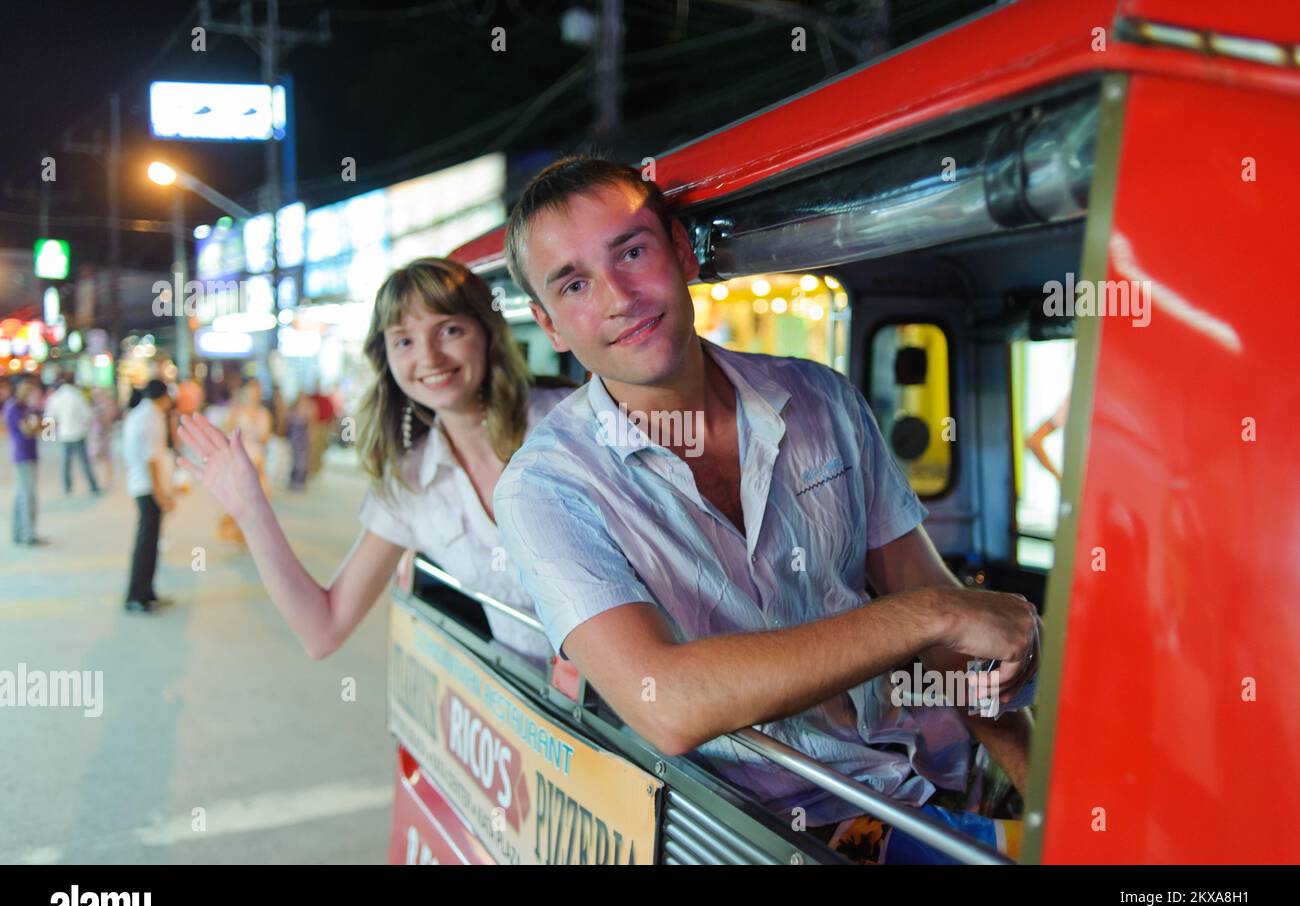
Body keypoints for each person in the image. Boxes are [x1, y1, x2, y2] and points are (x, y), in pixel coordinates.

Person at [493, 157, 1041, 862]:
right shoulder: (545, 488)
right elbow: (669, 703)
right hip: (757, 832)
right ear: (551, 325)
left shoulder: (823, 399)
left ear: (683, 252)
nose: (619, 296)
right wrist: (934, 611)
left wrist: (1042, 790)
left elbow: (952, 643)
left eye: (632, 252)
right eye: (575, 284)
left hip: (924, 787)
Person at [177, 257, 573, 666]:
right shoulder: (409, 481)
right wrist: (251, 509)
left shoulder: (567, 423)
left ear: (486, 335)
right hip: (528, 716)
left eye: (450, 330)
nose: (430, 357)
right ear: (386, 357)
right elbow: (323, 630)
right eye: (404, 341)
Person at [122, 379, 175, 612]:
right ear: (162, 397)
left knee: (150, 542)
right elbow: (151, 459)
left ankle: (146, 592)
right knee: (146, 542)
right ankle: (137, 595)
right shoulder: (151, 417)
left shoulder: (140, 413)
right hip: (147, 487)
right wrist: (160, 493)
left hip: (141, 484)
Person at [214, 380, 273, 545]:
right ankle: (238, 531)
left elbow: (266, 436)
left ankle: (248, 534)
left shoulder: (263, 413)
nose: (255, 394)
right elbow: (227, 432)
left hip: (258, 458)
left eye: (258, 391)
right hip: (241, 457)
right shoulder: (236, 411)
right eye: (252, 391)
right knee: (240, 496)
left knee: (260, 498)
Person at [5, 378, 47, 546]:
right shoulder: (14, 408)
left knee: (21, 495)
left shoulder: (26, 408)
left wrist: (41, 423)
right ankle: (28, 534)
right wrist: (38, 426)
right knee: (27, 496)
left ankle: (18, 532)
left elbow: (46, 432)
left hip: (29, 455)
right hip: (22, 457)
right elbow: (28, 431)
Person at [45, 374, 101, 495]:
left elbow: (49, 416)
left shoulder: (56, 397)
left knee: (65, 462)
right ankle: (93, 485)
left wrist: (48, 437)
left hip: (64, 434)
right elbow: (87, 415)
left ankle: (67, 487)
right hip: (79, 433)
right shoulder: (77, 395)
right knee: (84, 462)